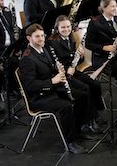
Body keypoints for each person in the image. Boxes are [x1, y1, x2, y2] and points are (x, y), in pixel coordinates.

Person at [18, 24, 92, 154]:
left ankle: (78, 130)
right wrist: (52, 81)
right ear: (29, 38)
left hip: (51, 89)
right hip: (39, 96)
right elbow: (30, 86)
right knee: (66, 106)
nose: (41, 39)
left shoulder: (43, 49)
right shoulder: (27, 58)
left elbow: (49, 67)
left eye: (42, 36)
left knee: (82, 95)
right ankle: (70, 142)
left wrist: (58, 70)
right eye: (37, 36)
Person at [48, 15, 104, 132]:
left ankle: (95, 114)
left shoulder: (71, 38)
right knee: (85, 88)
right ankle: (88, 121)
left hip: (73, 71)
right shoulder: (53, 42)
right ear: (57, 28)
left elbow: (73, 58)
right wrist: (68, 69)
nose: (66, 29)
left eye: (68, 27)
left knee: (95, 84)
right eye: (63, 27)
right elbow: (53, 63)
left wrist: (80, 56)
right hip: (63, 74)